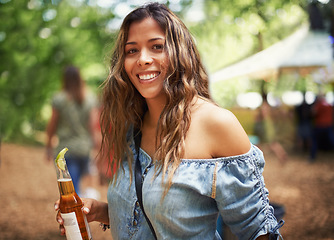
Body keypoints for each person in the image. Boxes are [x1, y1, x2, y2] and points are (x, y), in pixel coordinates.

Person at [54, 3, 284, 239]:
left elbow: (259, 231)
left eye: (157, 47)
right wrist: (99, 211)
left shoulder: (216, 123)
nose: (143, 59)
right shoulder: (131, 125)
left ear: (180, 52)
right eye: (132, 50)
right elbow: (150, 217)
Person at [46, 65, 99, 196]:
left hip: (66, 150)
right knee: (82, 183)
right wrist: (98, 147)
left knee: (72, 188)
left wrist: (48, 146)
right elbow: (94, 126)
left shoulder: (59, 99)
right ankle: (81, 209)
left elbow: (52, 125)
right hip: (84, 149)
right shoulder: (90, 98)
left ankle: (76, 213)